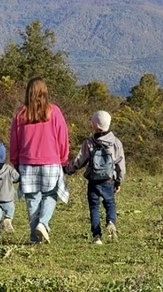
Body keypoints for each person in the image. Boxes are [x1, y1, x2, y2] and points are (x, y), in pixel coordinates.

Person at [9, 77, 70, 244]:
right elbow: (62, 137)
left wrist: (15, 161)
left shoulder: (20, 114)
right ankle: (43, 223)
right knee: (50, 195)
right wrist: (64, 159)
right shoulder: (54, 111)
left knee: (32, 199)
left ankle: (35, 235)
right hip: (51, 161)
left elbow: (14, 141)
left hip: (27, 163)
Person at [66, 110, 126, 245]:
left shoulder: (89, 142)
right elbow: (120, 165)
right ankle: (111, 222)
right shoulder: (116, 142)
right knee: (110, 203)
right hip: (109, 180)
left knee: (94, 207)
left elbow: (79, 161)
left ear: (94, 125)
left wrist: (68, 169)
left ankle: (97, 236)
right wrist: (118, 181)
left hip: (94, 181)